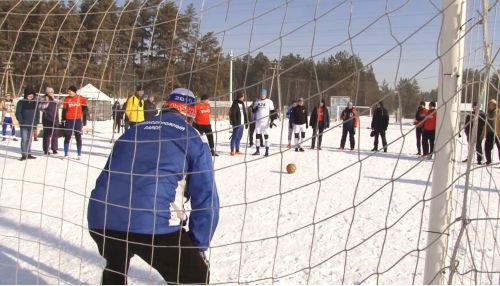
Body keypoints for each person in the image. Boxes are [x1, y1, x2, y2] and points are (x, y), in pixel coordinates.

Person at [87, 87, 219, 284]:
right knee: (194, 275)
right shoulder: (192, 139)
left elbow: (107, 176)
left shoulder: (133, 130)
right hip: (151, 221)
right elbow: (206, 197)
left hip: (101, 218)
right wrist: (198, 245)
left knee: (116, 263)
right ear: (190, 115)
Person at [62, 85, 88, 159]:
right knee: (67, 136)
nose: (68, 92)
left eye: (70, 91)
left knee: (78, 136)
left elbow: (85, 109)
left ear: (74, 91)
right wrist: (63, 119)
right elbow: (64, 110)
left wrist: (83, 118)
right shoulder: (66, 99)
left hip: (77, 120)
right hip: (68, 120)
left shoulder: (81, 98)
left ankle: (79, 154)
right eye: (68, 91)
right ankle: (66, 154)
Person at [15, 87, 40, 160]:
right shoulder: (21, 102)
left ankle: (28, 153)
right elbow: (18, 113)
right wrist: (21, 121)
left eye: (32, 95)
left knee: (29, 139)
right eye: (29, 95)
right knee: (24, 139)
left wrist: (36, 123)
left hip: (31, 124)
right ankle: (24, 154)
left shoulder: (35, 102)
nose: (31, 97)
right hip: (24, 125)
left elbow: (37, 114)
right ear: (26, 95)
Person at [251, 88, 277, 156]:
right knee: (257, 136)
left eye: (264, 94)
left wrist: (272, 121)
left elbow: (273, 112)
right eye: (262, 94)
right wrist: (255, 109)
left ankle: (267, 151)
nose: (263, 95)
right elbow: (253, 111)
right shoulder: (257, 101)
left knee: (266, 137)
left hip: (265, 122)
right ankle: (257, 151)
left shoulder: (269, 102)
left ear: (266, 94)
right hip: (258, 122)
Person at [39, 87, 59, 155]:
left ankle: (54, 149)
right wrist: (46, 101)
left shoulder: (55, 99)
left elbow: (59, 104)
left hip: (55, 119)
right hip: (47, 119)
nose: (51, 93)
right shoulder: (43, 99)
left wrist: (53, 98)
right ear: (47, 93)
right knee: (47, 135)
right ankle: (46, 149)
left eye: (52, 92)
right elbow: (40, 108)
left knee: (55, 134)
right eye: (50, 92)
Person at [229, 91, 248, 155]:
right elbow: (233, 114)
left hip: (242, 123)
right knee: (234, 137)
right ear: (240, 97)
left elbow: (245, 113)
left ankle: (237, 150)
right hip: (237, 124)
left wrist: (246, 122)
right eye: (243, 96)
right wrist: (234, 123)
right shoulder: (235, 103)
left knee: (239, 137)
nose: (243, 98)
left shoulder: (242, 103)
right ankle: (232, 150)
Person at [484, 99, 500, 165]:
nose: (489, 106)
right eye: (489, 105)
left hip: (497, 133)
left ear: (494, 105)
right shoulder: (488, 113)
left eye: (491, 105)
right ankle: (489, 160)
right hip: (490, 133)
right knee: (487, 147)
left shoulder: (498, 112)